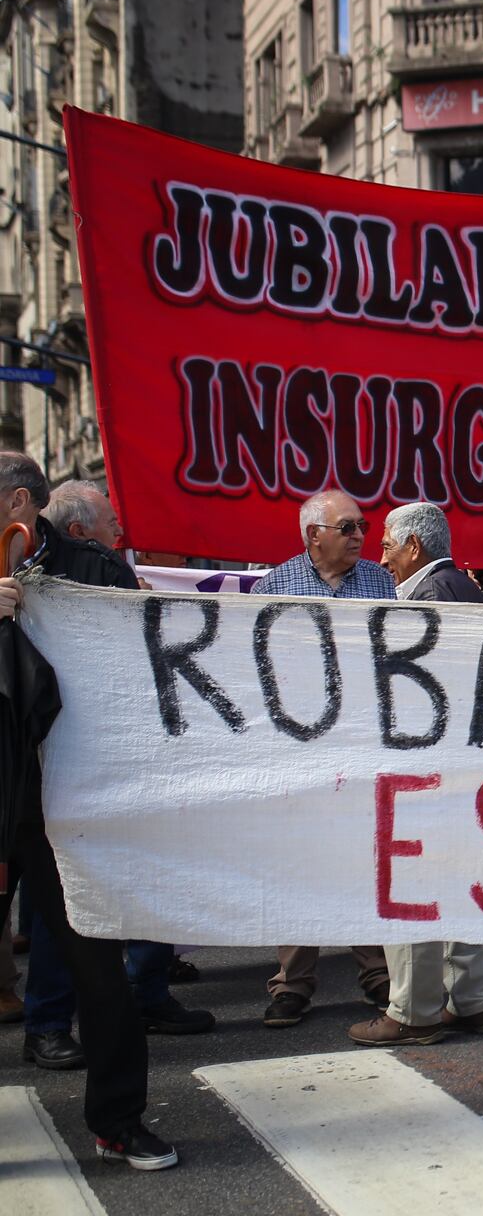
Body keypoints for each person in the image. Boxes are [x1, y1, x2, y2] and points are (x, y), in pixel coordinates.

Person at [0, 452, 177, 1169]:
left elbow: (141, 671)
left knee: (98, 961)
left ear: (17, 505)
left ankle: (118, 1119)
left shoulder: (95, 568)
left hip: (65, 797)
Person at [38, 480, 209, 1035]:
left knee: (76, 886)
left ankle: (60, 1020)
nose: (121, 532)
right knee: (79, 888)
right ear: (83, 530)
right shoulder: (94, 569)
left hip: (74, 754)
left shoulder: (32, 569)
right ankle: (112, 1003)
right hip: (105, 754)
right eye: (113, 523)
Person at [348, 503, 483, 1048]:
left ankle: (413, 1010)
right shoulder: (463, 588)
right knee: (463, 876)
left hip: (424, 767)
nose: (381, 556)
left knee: (413, 883)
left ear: (413, 545)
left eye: (387, 544)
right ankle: (474, 999)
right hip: (464, 767)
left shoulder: (426, 599)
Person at [255, 491, 395, 1027]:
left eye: (363, 525)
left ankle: (377, 972)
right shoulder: (275, 586)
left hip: (363, 741)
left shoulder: (380, 583)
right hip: (303, 746)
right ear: (314, 534)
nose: (361, 534)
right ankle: (292, 983)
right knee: (301, 858)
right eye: (348, 526)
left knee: (366, 854)